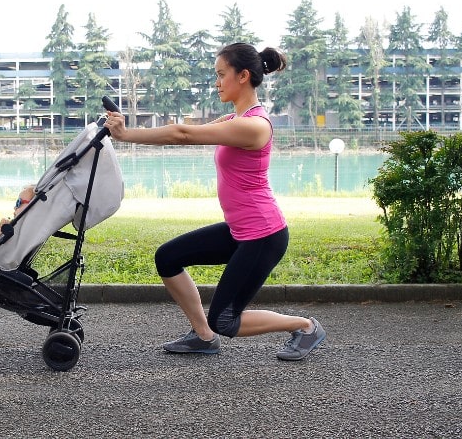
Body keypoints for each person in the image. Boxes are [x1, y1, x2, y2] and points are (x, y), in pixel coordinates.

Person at [103, 43, 325, 360]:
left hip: (264, 235)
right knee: (167, 258)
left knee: (226, 320)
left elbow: (183, 135)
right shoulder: (234, 118)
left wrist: (126, 135)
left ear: (243, 76)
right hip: (240, 230)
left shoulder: (255, 125)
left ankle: (305, 326)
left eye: (222, 75)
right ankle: (203, 338)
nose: (217, 82)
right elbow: (187, 132)